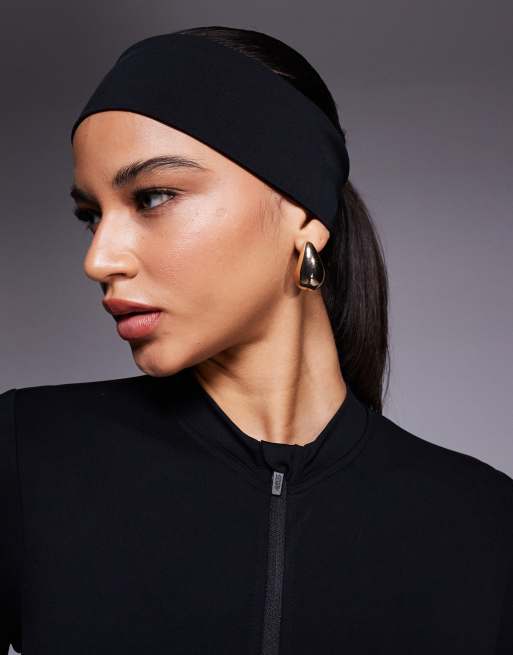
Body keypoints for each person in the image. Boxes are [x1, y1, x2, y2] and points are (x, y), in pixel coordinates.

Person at [1, 25, 512, 655]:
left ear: (304, 212)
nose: (99, 259)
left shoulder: (487, 524)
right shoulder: (26, 456)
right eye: (91, 216)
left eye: (153, 197)